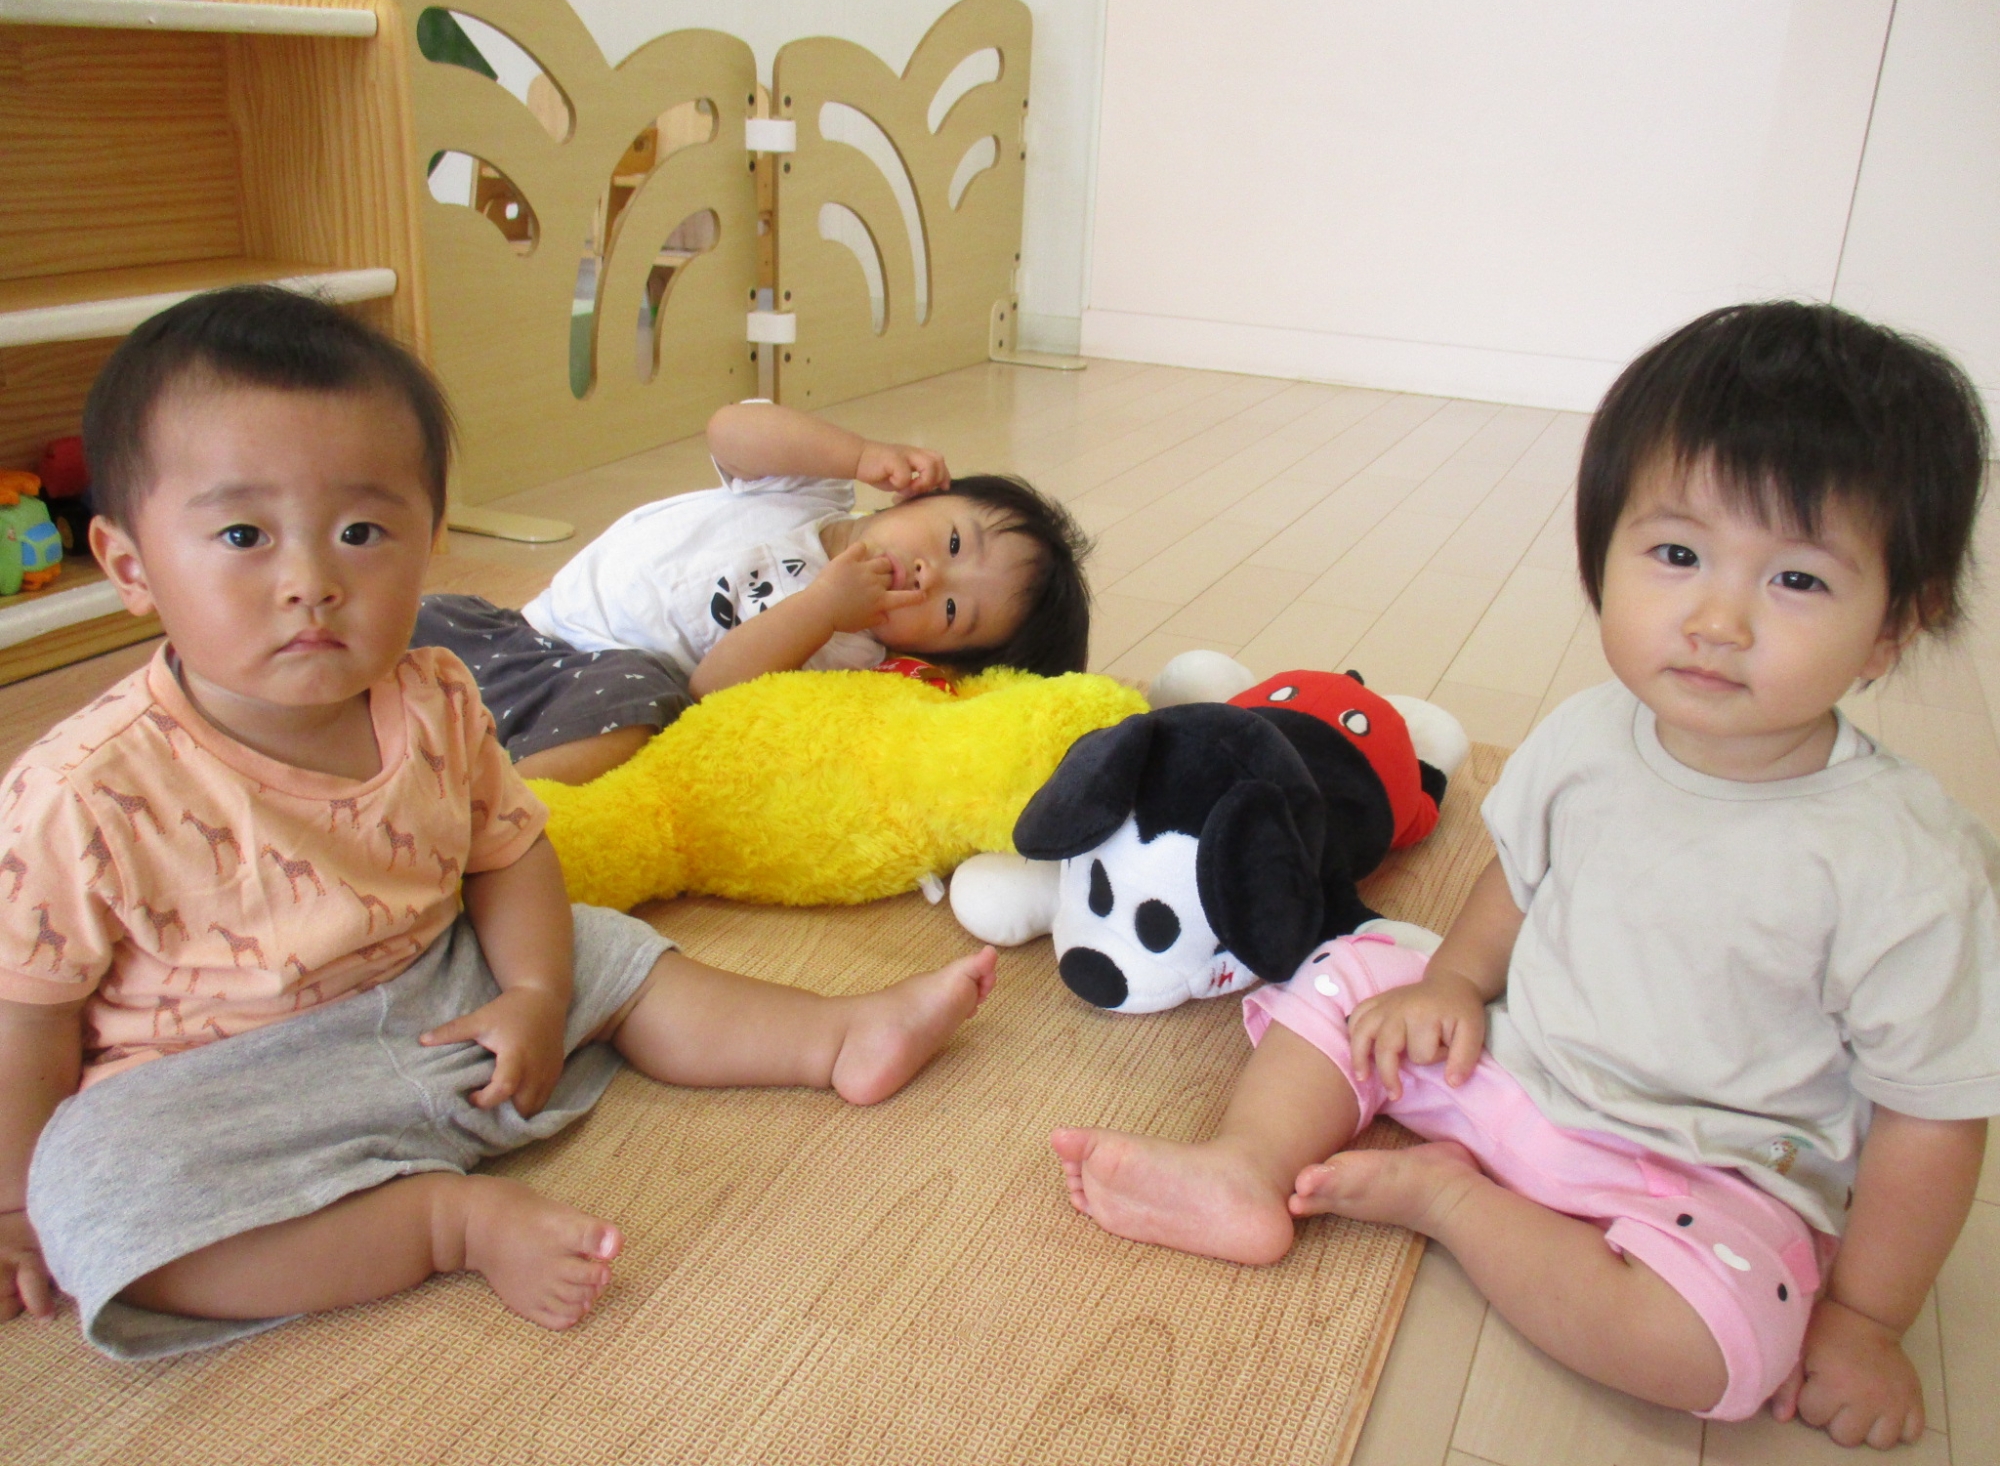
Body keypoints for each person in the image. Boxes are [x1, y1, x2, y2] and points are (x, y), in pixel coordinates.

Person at [1049, 302, 1999, 1449]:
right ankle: (1245, 1167)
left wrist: (1864, 1320)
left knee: (1716, 1352)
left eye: (1794, 580)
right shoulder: (1588, 736)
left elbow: (1930, 1122)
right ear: (1602, 552)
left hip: (1708, 1174)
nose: (1715, 619)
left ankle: (1451, 1202)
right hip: (1509, 1063)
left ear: (1895, 624)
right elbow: (1516, 879)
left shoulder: (1908, 867)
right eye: (1676, 555)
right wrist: (1452, 984)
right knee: (1351, 969)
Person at [0, 287, 997, 1360]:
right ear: (130, 565)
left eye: (361, 531)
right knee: (97, 1197)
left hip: (443, 997)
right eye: (244, 534)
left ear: (429, 538)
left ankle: (834, 1036)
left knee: (606, 948)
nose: (312, 582)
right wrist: (17, 1201)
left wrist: (534, 992)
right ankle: (443, 1222)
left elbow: (510, 854)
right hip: (227, 1088)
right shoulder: (82, 791)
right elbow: (28, 1017)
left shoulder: (436, 696)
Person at [416, 401, 1094, 784]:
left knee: (636, 719)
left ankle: (491, 802)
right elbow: (728, 430)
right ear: (922, 492)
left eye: (950, 612)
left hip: (598, 675)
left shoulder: (847, 650)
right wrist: (859, 454)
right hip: (527, 624)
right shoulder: (812, 488)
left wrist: (823, 608)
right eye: (952, 543)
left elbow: (711, 688)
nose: (930, 576)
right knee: (424, 624)